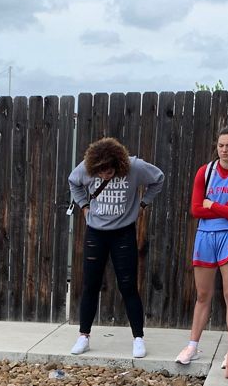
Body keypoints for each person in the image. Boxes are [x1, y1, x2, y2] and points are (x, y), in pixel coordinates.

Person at [67, 137, 164, 358]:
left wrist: (143, 204)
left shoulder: (135, 167)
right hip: (96, 233)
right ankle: (84, 336)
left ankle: (138, 338)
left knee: (128, 285)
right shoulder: (86, 167)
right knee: (90, 284)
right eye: (99, 173)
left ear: (118, 164)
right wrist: (84, 206)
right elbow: (73, 181)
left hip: (123, 233)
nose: (104, 176)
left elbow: (158, 179)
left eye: (109, 172)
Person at [176, 127, 228, 369]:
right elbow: (195, 209)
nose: (224, 150)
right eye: (221, 145)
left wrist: (212, 204)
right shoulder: (206, 171)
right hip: (206, 235)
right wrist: (225, 207)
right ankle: (192, 345)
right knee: (202, 295)